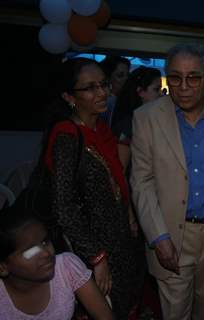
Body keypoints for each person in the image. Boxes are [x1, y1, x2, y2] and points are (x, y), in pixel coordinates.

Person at [130, 43, 204, 320]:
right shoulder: (146, 117)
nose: (184, 86)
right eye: (175, 77)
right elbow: (142, 181)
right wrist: (157, 236)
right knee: (175, 313)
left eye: (194, 77)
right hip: (171, 234)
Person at [38, 57, 144, 319]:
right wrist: (97, 258)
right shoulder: (67, 135)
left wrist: (128, 215)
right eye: (89, 88)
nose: (102, 93)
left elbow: (115, 183)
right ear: (69, 96)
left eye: (104, 84)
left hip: (117, 243)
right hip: (91, 250)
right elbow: (64, 207)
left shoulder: (102, 131)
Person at [0, 198, 113, 320]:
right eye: (31, 251)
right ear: (3, 267)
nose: (46, 253)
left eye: (45, 242)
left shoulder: (65, 267)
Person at [111, 66, 162, 170]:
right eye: (156, 89)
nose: (160, 95)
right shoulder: (128, 125)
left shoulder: (147, 120)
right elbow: (121, 169)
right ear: (140, 92)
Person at [99, 55, 131, 126]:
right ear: (108, 78)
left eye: (128, 75)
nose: (126, 79)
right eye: (120, 75)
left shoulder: (125, 100)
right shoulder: (106, 102)